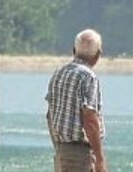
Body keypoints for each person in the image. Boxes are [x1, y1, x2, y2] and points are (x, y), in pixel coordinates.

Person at [46, 28, 107, 172]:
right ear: (98, 54)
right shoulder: (88, 77)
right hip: (81, 154)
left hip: (61, 151)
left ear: (74, 50)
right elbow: (90, 119)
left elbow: (50, 115)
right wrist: (99, 158)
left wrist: (59, 146)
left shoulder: (58, 73)